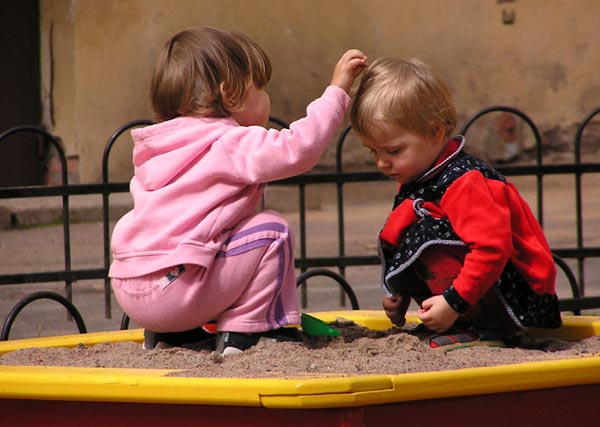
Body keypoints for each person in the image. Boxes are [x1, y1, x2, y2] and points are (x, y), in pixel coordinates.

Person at [109, 26, 367, 355]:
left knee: (206, 239)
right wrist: (335, 93)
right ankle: (249, 332)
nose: (267, 97)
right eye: (262, 87)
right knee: (272, 231)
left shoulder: (158, 145)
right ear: (232, 94)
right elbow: (298, 148)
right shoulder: (228, 140)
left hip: (131, 287)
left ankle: (172, 336)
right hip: (176, 294)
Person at [350, 57, 562, 349]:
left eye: (393, 150)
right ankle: (466, 320)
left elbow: (491, 249)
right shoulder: (421, 175)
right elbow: (395, 239)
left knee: (430, 233)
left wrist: (453, 302)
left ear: (436, 132)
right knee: (410, 229)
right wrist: (400, 289)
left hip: (519, 294)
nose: (382, 162)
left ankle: (487, 327)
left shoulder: (464, 181)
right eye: (372, 151)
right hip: (483, 289)